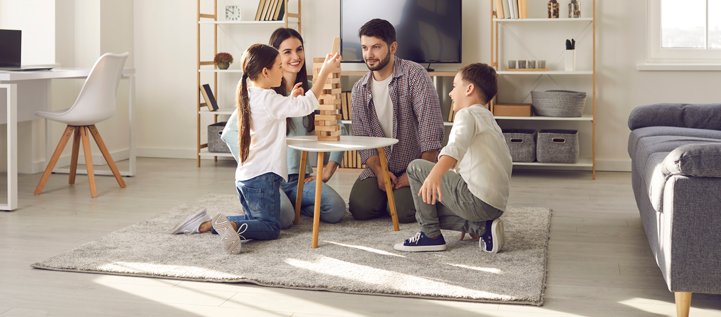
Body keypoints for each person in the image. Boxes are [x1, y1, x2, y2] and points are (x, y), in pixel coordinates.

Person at [171, 43, 341, 255]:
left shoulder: (250, 95)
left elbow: (272, 114)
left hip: (245, 178)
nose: (283, 71)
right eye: (279, 66)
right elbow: (308, 105)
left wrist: (290, 100)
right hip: (263, 179)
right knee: (271, 227)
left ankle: (205, 224)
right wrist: (325, 71)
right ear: (265, 72)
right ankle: (226, 226)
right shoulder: (270, 99)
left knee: (256, 221)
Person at [219, 28, 347, 226]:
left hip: (300, 180)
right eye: (287, 52)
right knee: (284, 219)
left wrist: (328, 170)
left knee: (336, 209)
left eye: (299, 49)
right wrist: (253, 168)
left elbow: (338, 126)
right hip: (271, 178)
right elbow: (229, 133)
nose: (295, 56)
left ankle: (292, 206)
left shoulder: (311, 88)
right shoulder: (264, 95)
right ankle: (274, 207)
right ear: (272, 60)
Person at [394, 63, 513, 253]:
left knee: (416, 167)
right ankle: (482, 228)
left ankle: (430, 236)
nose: (450, 93)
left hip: (477, 201)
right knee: (426, 208)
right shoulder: (488, 118)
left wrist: (434, 174)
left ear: (469, 89)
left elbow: (454, 148)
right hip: (494, 205)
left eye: (454, 86)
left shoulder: (466, 114)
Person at [348, 18, 444, 223]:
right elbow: (363, 140)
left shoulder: (415, 75)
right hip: (381, 165)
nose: (369, 55)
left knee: (404, 212)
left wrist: (416, 175)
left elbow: (431, 131)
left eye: (376, 47)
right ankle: (387, 195)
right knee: (360, 208)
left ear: (392, 47)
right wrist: (380, 172)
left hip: (416, 164)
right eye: (365, 48)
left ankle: (423, 192)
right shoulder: (358, 89)